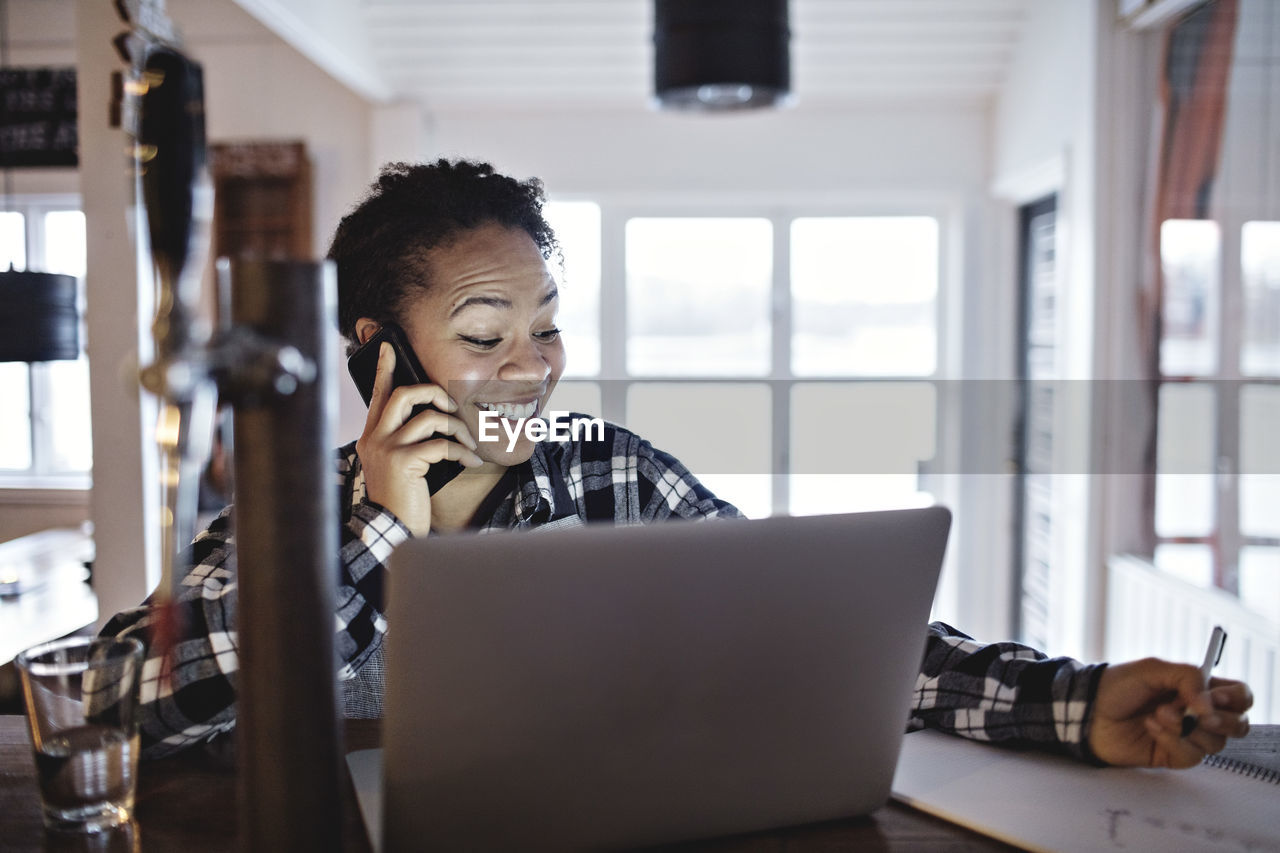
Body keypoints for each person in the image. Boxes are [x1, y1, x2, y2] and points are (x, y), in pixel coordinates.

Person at [102, 158, 1253, 771]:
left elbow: (815, 636)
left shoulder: (610, 475)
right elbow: (132, 702)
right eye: (485, 332)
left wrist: (1070, 703)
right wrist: (378, 536)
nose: (532, 367)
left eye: (545, 324)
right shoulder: (286, 513)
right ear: (379, 350)